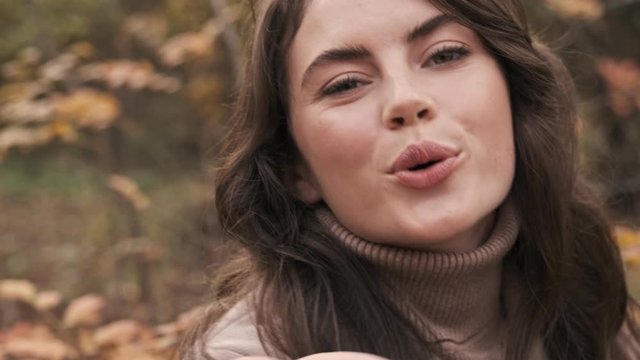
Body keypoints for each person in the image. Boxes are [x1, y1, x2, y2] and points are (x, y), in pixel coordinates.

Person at [182, 0, 640, 359]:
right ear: (295, 170)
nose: (407, 100)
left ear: (514, 93)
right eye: (345, 84)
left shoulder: (586, 296)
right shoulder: (245, 352)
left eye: (444, 54)